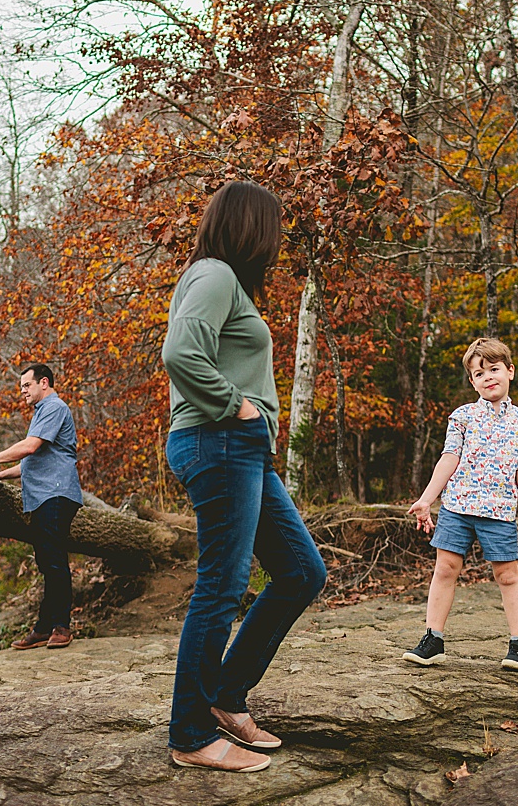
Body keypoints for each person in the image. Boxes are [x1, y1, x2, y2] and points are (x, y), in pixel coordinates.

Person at [161, 180, 327, 774]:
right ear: (251, 226)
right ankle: (189, 733)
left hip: (241, 448)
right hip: (219, 439)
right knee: (222, 587)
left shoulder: (225, 282)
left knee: (303, 571)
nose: (278, 243)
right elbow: (180, 352)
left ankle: (226, 697)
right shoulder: (214, 275)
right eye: (274, 229)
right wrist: (236, 404)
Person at [402, 337, 518, 671]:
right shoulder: (462, 417)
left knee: (507, 576)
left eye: (494, 369)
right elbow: (448, 458)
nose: (488, 376)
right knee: (445, 569)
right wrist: (427, 499)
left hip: (499, 512)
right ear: (472, 381)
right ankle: (433, 640)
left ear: (510, 372)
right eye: (479, 373)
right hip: (457, 508)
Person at [0, 363, 83, 650]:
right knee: (46, 563)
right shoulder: (42, 413)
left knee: (54, 562)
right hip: (42, 496)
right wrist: (0, 474)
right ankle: (44, 627)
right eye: (21, 388)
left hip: (55, 494)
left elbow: (29, 447)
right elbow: (32, 461)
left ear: (44, 382)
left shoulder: (54, 407)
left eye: (26, 386)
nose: (23, 392)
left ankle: (61, 627)